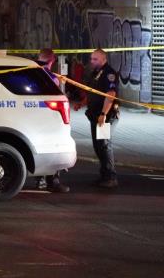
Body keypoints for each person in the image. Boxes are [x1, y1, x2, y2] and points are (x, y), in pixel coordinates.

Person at [74, 48, 120, 188]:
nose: (92, 61)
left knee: (104, 145)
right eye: (91, 59)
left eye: (95, 59)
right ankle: (104, 175)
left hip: (105, 116)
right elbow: (93, 93)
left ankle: (111, 177)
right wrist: (82, 103)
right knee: (98, 145)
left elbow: (110, 95)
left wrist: (103, 114)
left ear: (103, 59)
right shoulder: (96, 73)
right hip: (95, 114)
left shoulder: (109, 73)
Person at [35, 48, 70, 193]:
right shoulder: (51, 77)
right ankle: (53, 181)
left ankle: (39, 180)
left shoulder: (30, 72)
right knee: (53, 147)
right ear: (52, 60)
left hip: (32, 116)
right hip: (48, 118)